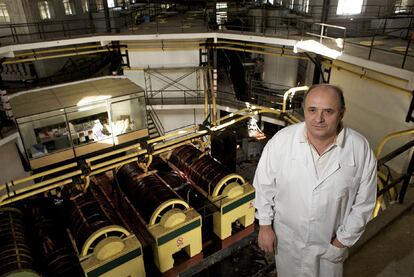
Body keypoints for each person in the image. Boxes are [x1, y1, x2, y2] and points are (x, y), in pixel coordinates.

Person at [253, 84, 377, 277]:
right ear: (305, 110)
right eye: (312, 110)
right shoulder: (282, 141)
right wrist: (265, 225)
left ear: (341, 113)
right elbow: (264, 186)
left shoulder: (359, 149)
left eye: (328, 111)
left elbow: (365, 203)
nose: (318, 119)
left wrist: (342, 241)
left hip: (329, 245)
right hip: (288, 243)